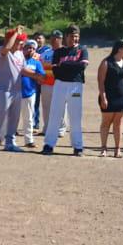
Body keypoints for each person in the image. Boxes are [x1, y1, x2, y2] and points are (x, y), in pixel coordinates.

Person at [42, 24, 88, 156]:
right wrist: (71, 66)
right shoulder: (59, 52)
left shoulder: (82, 50)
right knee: (55, 115)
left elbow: (82, 67)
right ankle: (49, 144)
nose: (75, 39)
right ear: (67, 37)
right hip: (60, 85)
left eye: (77, 36)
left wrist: (65, 64)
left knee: (75, 116)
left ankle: (78, 146)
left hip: (75, 85)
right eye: (73, 36)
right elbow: (55, 70)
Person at [0, 26, 26, 153]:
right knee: (0, 116)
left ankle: (10, 142)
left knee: (14, 118)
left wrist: (38, 76)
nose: (21, 44)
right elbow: (7, 48)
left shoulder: (20, 54)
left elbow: (23, 69)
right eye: (19, 41)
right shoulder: (1, 52)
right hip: (3, 90)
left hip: (17, 90)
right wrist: (15, 33)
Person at [97, 39, 123, 157]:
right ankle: (103, 148)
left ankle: (117, 149)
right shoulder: (106, 62)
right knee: (106, 122)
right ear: (120, 49)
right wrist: (103, 97)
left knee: (118, 122)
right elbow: (101, 81)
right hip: (109, 96)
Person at [19, 40, 46, 146]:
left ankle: (29, 140)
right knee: (10, 117)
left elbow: (42, 77)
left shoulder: (37, 63)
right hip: (15, 92)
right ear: (23, 49)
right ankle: (4, 138)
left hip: (29, 93)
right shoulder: (18, 60)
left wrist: (38, 78)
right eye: (28, 47)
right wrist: (34, 75)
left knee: (28, 118)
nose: (30, 50)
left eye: (33, 48)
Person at [38, 30, 65, 139]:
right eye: (52, 38)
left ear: (61, 39)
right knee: (46, 107)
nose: (54, 40)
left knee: (61, 107)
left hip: (60, 83)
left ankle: (60, 129)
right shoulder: (45, 53)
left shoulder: (65, 52)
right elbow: (39, 67)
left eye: (57, 38)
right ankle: (47, 127)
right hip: (46, 84)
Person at [30, 32, 46, 129]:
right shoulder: (30, 50)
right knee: (34, 102)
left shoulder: (47, 50)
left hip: (45, 79)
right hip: (34, 79)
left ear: (44, 39)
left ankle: (48, 124)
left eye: (40, 38)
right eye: (36, 38)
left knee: (46, 103)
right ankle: (35, 122)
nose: (38, 40)